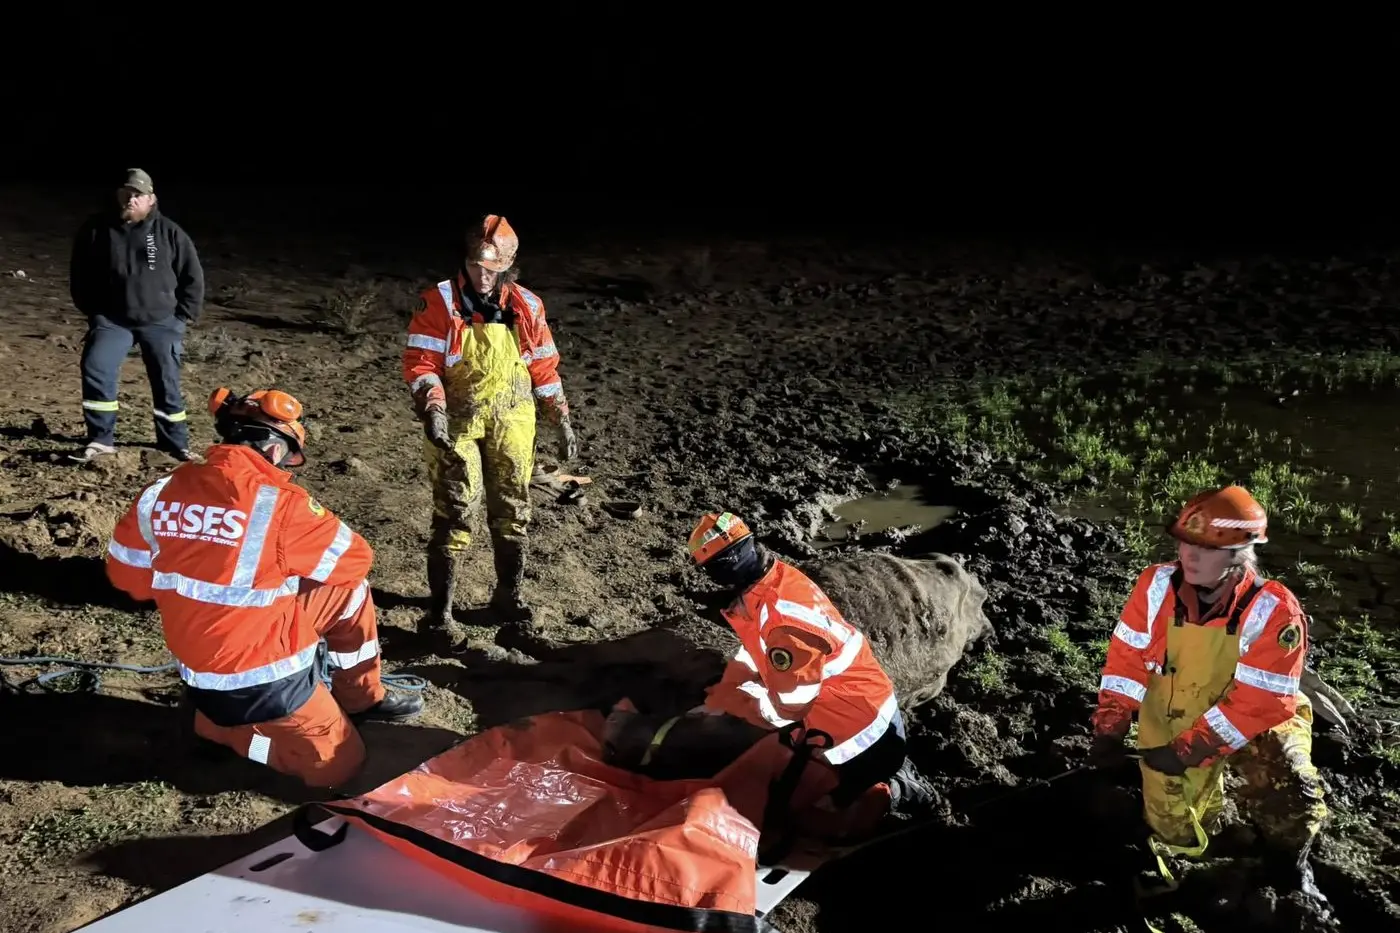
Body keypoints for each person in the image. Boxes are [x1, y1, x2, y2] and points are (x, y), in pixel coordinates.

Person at [103, 386, 423, 788]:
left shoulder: (160, 492)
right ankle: (229, 734)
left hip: (203, 662)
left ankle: (362, 697)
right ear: (275, 450)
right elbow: (356, 557)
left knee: (349, 592)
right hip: (263, 683)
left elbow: (127, 578)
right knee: (337, 765)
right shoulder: (281, 503)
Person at [1090, 484, 1330, 906]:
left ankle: (1290, 864)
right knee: (1169, 813)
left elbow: (1261, 703)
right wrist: (1109, 729)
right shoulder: (1155, 586)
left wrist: (1185, 750)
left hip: (1256, 719)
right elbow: (1125, 662)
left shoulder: (1273, 610)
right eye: (1184, 544)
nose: (1189, 557)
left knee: (1292, 789)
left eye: (1206, 549)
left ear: (1241, 553)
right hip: (1178, 707)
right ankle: (1196, 849)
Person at [686, 511, 935, 814]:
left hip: (858, 732)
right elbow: (756, 650)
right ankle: (891, 770)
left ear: (718, 569)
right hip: (864, 706)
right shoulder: (773, 582)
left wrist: (739, 707)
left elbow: (790, 705)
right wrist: (727, 693)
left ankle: (902, 791)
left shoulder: (782, 618)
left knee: (827, 808)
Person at [402, 214, 577, 639]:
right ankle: (440, 616)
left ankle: (508, 598)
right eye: (476, 267)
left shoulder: (527, 306)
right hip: (458, 419)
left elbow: (544, 367)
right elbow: (422, 364)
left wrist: (561, 418)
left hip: (514, 417)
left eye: (492, 270)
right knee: (457, 509)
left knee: (513, 507)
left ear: (509, 269)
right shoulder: (439, 302)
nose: (482, 277)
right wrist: (435, 409)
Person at [68, 168, 205, 463]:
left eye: (138, 195)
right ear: (117, 196)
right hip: (113, 321)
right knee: (96, 367)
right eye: (126, 194)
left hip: (162, 322)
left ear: (151, 199)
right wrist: (95, 314)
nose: (131, 199)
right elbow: (79, 274)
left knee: (166, 381)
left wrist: (182, 318)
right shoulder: (95, 230)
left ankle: (174, 445)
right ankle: (101, 440)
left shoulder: (169, 232)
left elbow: (192, 276)